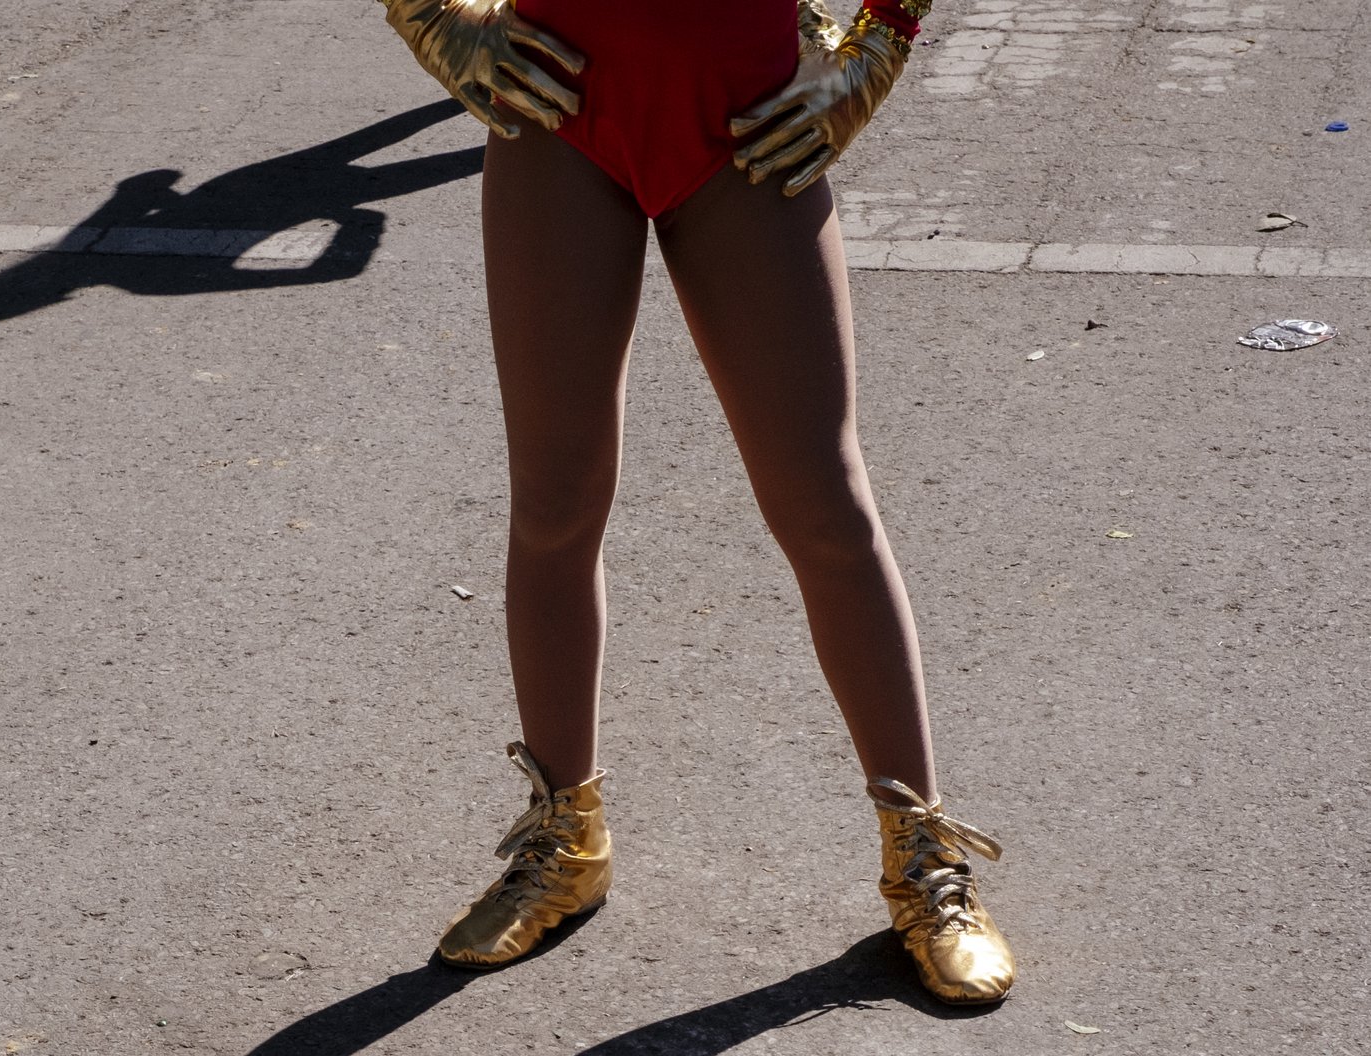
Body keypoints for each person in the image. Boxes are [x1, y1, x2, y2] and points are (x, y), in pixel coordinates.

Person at [380, 0, 1014, 1004]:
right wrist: (424, 12)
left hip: (746, 117)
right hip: (563, 111)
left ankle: (922, 854)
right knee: (552, 501)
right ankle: (566, 837)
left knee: (822, 503)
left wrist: (880, 41)